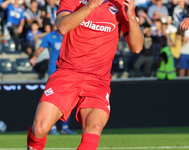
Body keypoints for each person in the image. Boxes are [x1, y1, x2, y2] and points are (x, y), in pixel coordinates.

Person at [27, 0, 144, 150]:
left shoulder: (122, 5)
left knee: (94, 128)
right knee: (39, 128)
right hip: (67, 73)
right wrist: (91, 5)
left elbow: (137, 47)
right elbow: (62, 27)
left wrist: (132, 18)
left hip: (98, 80)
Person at [30, 25, 77, 134]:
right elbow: (39, 49)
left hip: (70, 72)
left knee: (68, 101)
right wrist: (35, 57)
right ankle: (53, 127)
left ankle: (65, 128)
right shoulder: (50, 36)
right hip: (54, 72)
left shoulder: (71, 33)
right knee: (52, 100)